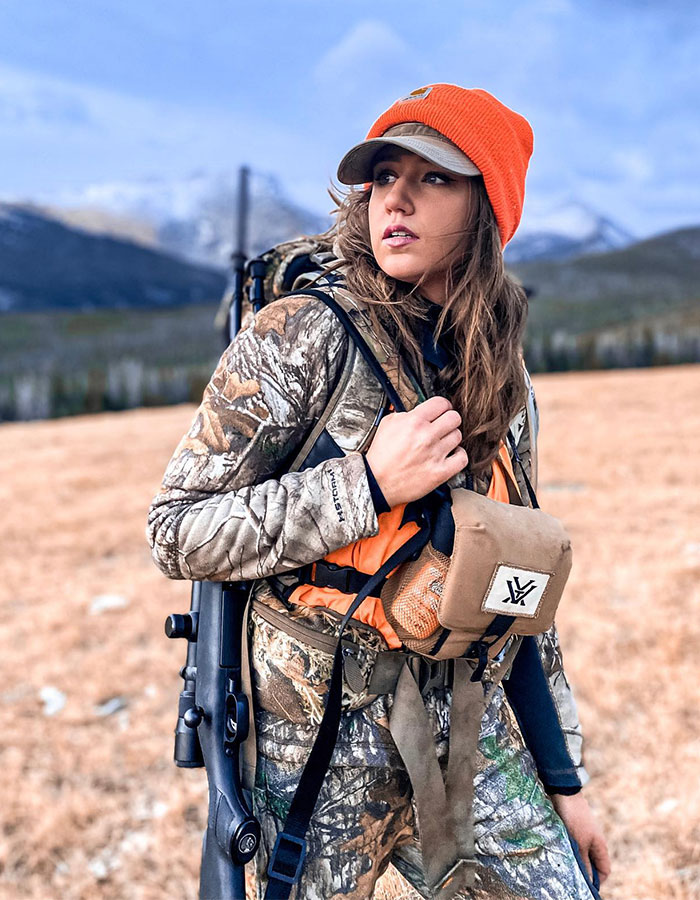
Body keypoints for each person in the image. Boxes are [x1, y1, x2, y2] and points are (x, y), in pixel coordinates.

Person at [148, 83, 611, 899]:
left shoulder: (503, 372)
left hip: (468, 724)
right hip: (315, 749)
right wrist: (364, 485)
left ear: (489, 206)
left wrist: (564, 780)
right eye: (382, 175)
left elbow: (517, 584)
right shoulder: (304, 336)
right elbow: (177, 528)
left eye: (433, 177)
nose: (394, 198)